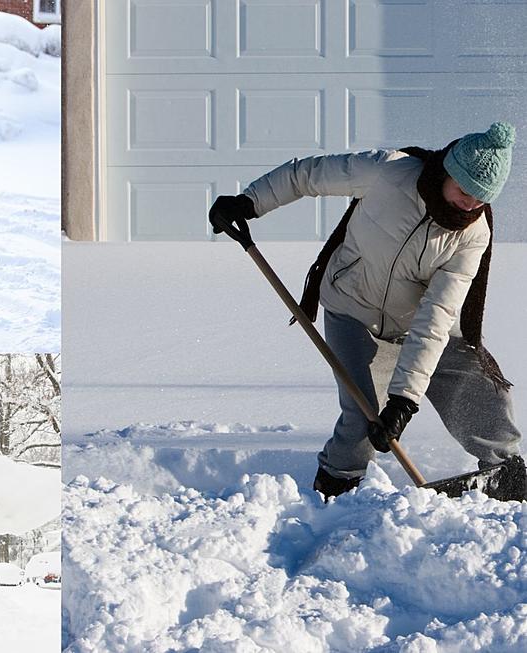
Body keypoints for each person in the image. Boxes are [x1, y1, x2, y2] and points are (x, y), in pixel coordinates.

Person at [209, 122, 522, 499]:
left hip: (416, 325)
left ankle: (507, 474)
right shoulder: (389, 171)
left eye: (481, 198)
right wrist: (249, 202)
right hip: (352, 310)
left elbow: (437, 315)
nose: (470, 204)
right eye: (465, 190)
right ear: (447, 171)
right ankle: (335, 487)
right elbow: (308, 175)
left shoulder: (472, 234)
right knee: (363, 416)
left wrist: (406, 400)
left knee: (484, 392)